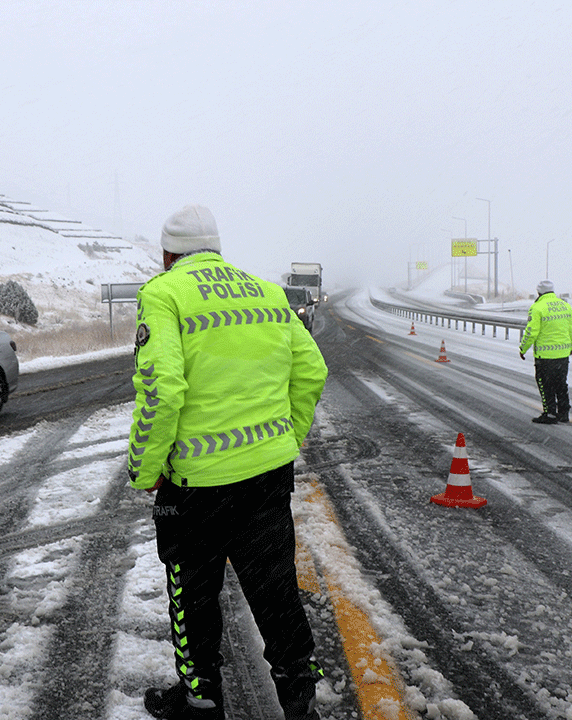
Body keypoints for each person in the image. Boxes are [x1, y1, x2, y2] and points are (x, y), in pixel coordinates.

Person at [126, 204, 329, 720]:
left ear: (168, 254)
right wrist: (285, 439)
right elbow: (312, 371)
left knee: (193, 599)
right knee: (276, 593)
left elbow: (162, 390)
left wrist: (145, 469)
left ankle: (201, 702)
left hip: (196, 489)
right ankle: (300, 701)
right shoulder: (267, 293)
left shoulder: (164, 294)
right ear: (216, 248)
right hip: (267, 480)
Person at [519, 279, 572, 424]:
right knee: (561, 384)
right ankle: (564, 413)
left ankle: (550, 413)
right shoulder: (565, 306)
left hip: (545, 356)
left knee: (546, 385)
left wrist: (523, 348)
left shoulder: (537, 307)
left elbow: (531, 332)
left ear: (539, 292)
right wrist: (570, 347)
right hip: (563, 354)